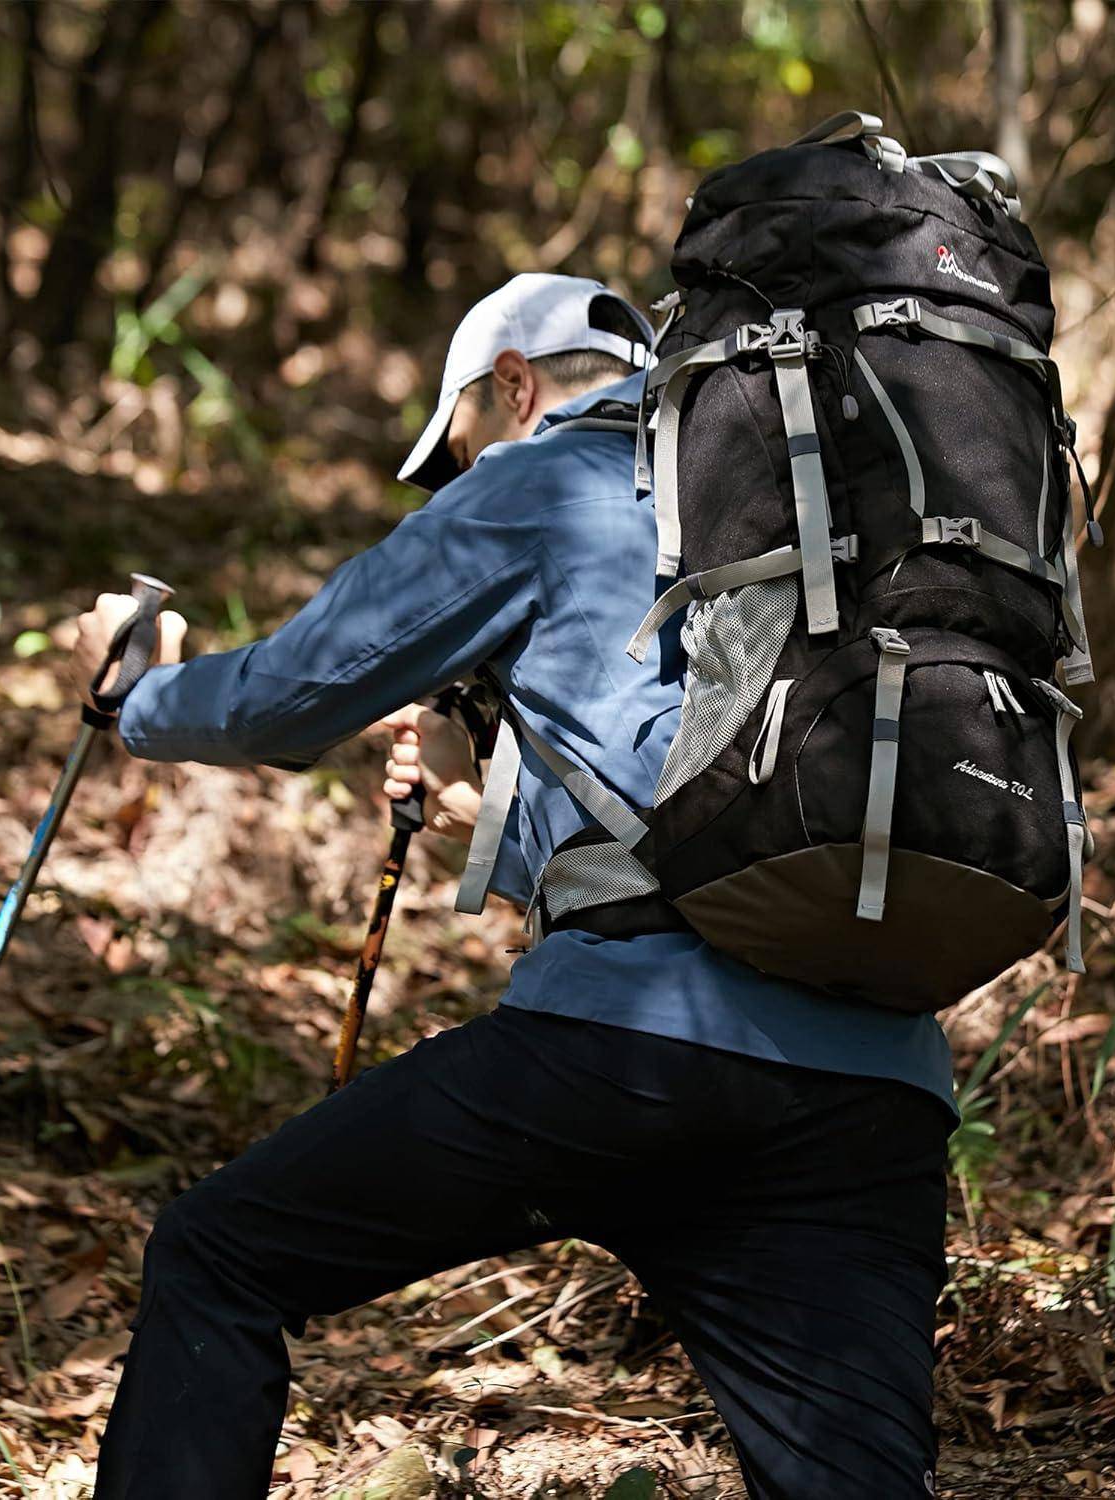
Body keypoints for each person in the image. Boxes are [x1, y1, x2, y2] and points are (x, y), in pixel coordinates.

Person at [74, 273, 959, 1500]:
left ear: (511, 385)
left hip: (626, 1061)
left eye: (461, 452)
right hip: (876, 1083)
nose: (463, 477)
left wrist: (136, 696)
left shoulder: (541, 476)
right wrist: (484, 788)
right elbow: (707, 773)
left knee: (218, 1257)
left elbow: (283, 698)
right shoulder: (807, 505)